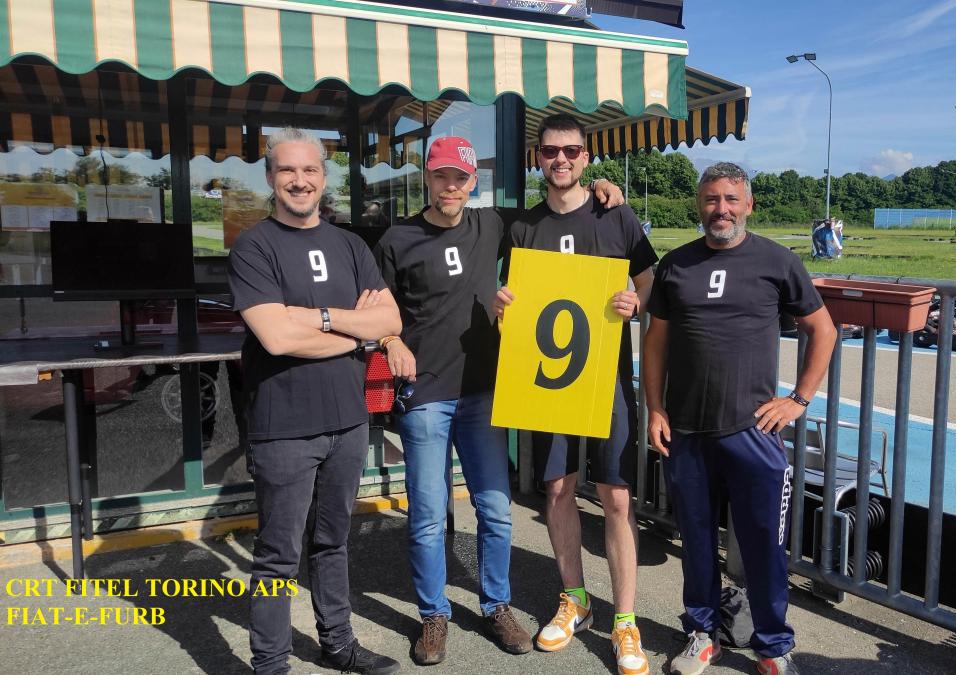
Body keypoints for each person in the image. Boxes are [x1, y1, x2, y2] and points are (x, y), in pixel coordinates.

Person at [372, 136, 626, 665]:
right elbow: (377, 306)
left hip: (485, 394)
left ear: (473, 183)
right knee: (427, 513)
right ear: (427, 177)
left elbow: (559, 204)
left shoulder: (493, 224)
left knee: (494, 509)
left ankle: (496, 606)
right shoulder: (398, 238)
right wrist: (390, 339)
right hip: (426, 394)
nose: (451, 186)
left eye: (460, 178)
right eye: (441, 176)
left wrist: (601, 186)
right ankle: (433, 615)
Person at [641, 162, 837, 675]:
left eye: (731, 199)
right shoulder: (676, 264)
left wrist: (799, 399)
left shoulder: (777, 261)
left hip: (753, 431)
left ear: (749, 204)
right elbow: (656, 341)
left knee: (765, 546)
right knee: (696, 543)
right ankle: (702, 634)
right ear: (699, 205)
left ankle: (773, 645)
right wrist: (655, 407)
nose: (721, 209)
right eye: (711, 199)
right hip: (686, 430)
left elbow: (824, 330)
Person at [228, 127, 404, 675]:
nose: (299, 180)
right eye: (287, 170)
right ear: (270, 177)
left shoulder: (350, 245)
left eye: (309, 170)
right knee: (277, 556)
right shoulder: (254, 247)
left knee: (332, 542)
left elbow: (391, 320)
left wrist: (321, 318)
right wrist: (357, 333)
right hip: (282, 428)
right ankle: (270, 664)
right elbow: (277, 338)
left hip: (348, 421)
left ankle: (338, 644)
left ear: (324, 179)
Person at [494, 113, 657, 675]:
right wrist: (502, 308)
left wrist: (636, 302)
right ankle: (576, 600)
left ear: (586, 157)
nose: (560, 159)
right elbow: (511, 298)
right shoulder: (523, 226)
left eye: (570, 151)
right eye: (550, 151)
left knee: (616, 498)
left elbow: (648, 280)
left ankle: (626, 620)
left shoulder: (616, 214)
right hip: (549, 381)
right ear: (538, 158)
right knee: (558, 488)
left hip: (606, 380)